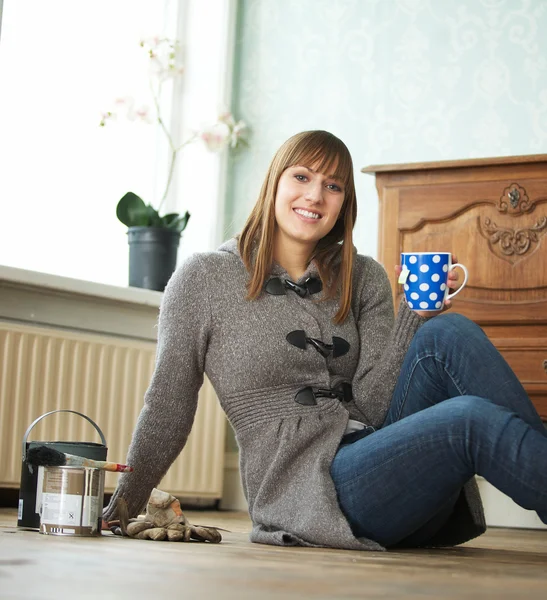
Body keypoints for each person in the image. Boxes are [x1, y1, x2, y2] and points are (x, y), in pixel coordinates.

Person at [103, 130, 547, 551]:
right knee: (468, 418)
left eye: (332, 186)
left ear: (344, 203)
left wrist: (415, 314)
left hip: (394, 478)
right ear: (274, 183)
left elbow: (373, 408)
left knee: (448, 332)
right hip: (312, 496)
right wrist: (121, 507)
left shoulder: (364, 276)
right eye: (301, 177)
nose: (315, 196)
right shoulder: (203, 279)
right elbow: (168, 404)